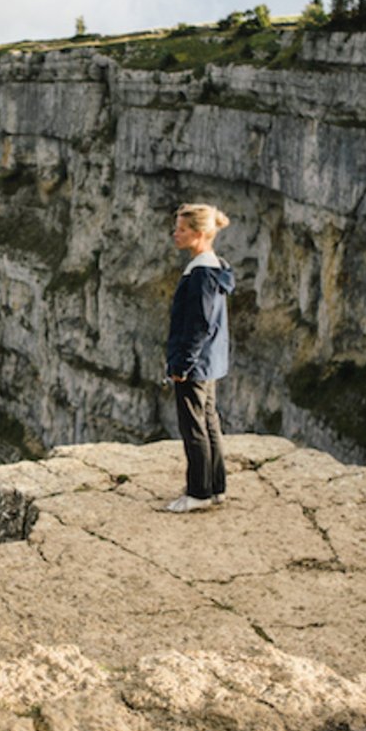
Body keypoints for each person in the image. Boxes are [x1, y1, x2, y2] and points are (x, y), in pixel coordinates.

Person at [164, 203, 235, 512]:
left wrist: (182, 364)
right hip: (210, 361)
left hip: (195, 363)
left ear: (200, 233)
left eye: (181, 229)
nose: (175, 234)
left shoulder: (200, 274)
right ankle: (215, 487)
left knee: (194, 427)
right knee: (209, 422)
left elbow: (198, 324)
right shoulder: (215, 267)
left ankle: (198, 493)